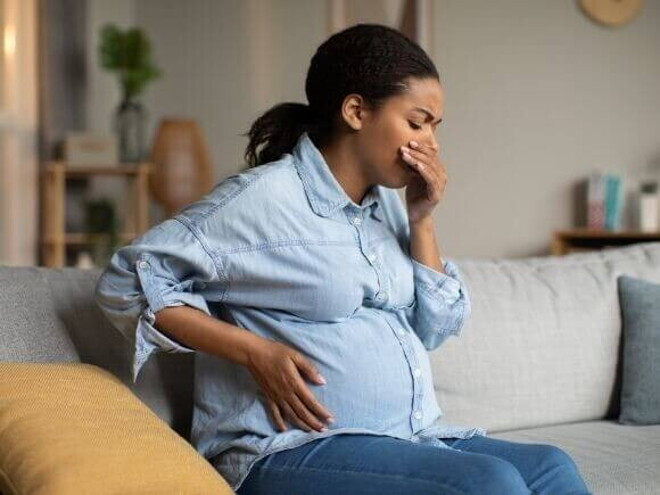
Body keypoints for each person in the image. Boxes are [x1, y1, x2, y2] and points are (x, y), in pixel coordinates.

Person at [94, 23, 592, 495]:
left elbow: (436, 327)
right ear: (356, 111)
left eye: (435, 127)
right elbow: (128, 280)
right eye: (417, 122)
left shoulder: (386, 208)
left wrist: (422, 220)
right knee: (486, 483)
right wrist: (252, 351)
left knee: (551, 466)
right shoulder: (262, 200)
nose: (432, 143)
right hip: (287, 450)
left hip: (405, 438)